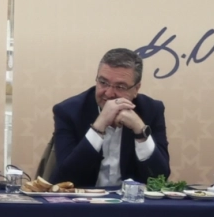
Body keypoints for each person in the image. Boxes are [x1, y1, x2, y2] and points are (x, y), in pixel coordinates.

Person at [51, 47, 169, 187]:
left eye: (120, 87)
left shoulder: (151, 110)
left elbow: (160, 177)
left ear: (136, 89)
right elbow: (65, 178)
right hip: (82, 199)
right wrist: (99, 126)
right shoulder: (68, 111)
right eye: (103, 83)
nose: (109, 93)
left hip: (130, 200)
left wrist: (140, 131)